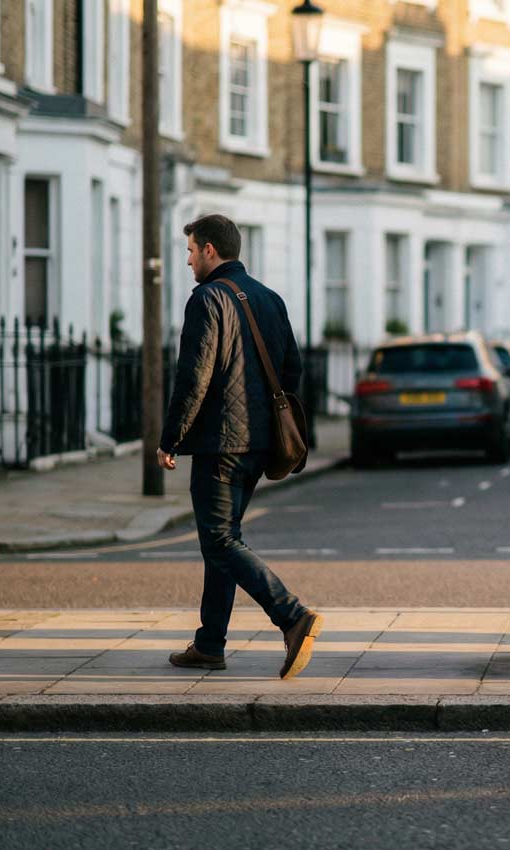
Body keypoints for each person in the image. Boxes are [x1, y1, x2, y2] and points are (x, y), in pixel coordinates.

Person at [161, 214, 323, 679]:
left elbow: (194, 376)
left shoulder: (207, 299)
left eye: (191, 249)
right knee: (223, 540)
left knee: (219, 539)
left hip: (220, 444)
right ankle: (210, 644)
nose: (188, 259)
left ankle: (292, 616)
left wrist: (170, 438)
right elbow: (291, 370)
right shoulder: (270, 299)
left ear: (211, 250)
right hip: (260, 444)